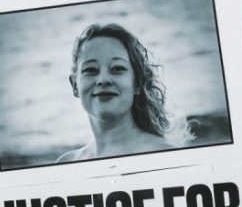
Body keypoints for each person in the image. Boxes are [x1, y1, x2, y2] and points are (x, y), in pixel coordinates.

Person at [57, 23, 174, 163]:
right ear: (75, 85)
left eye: (117, 68)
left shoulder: (164, 156)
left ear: (137, 83)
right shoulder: (67, 162)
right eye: (91, 70)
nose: (103, 80)